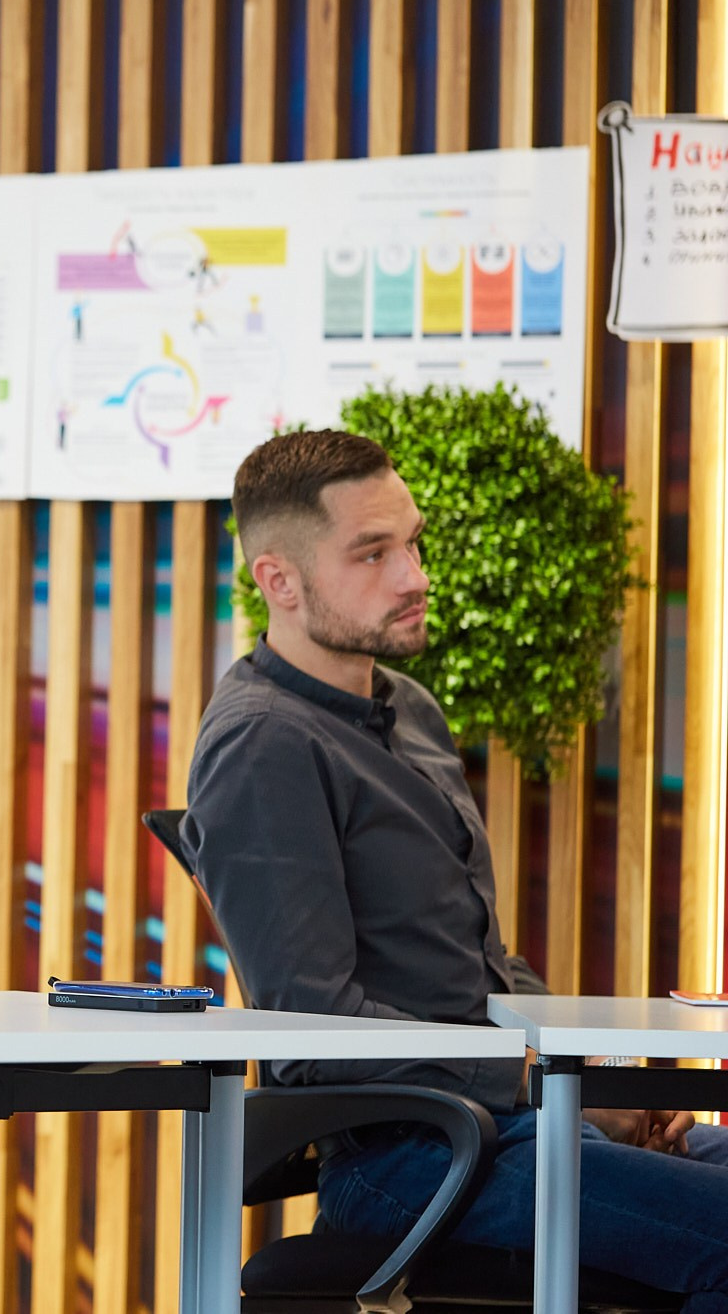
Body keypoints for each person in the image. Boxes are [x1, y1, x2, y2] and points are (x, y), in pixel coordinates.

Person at [182, 429, 728, 1303]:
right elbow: (316, 1027)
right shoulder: (264, 745)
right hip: (408, 1160)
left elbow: (484, 971)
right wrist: (551, 1081)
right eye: (373, 553)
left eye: (413, 542)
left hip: (513, 1124)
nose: (415, 577)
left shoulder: (408, 710)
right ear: (279, 582)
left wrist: (592, 1077)